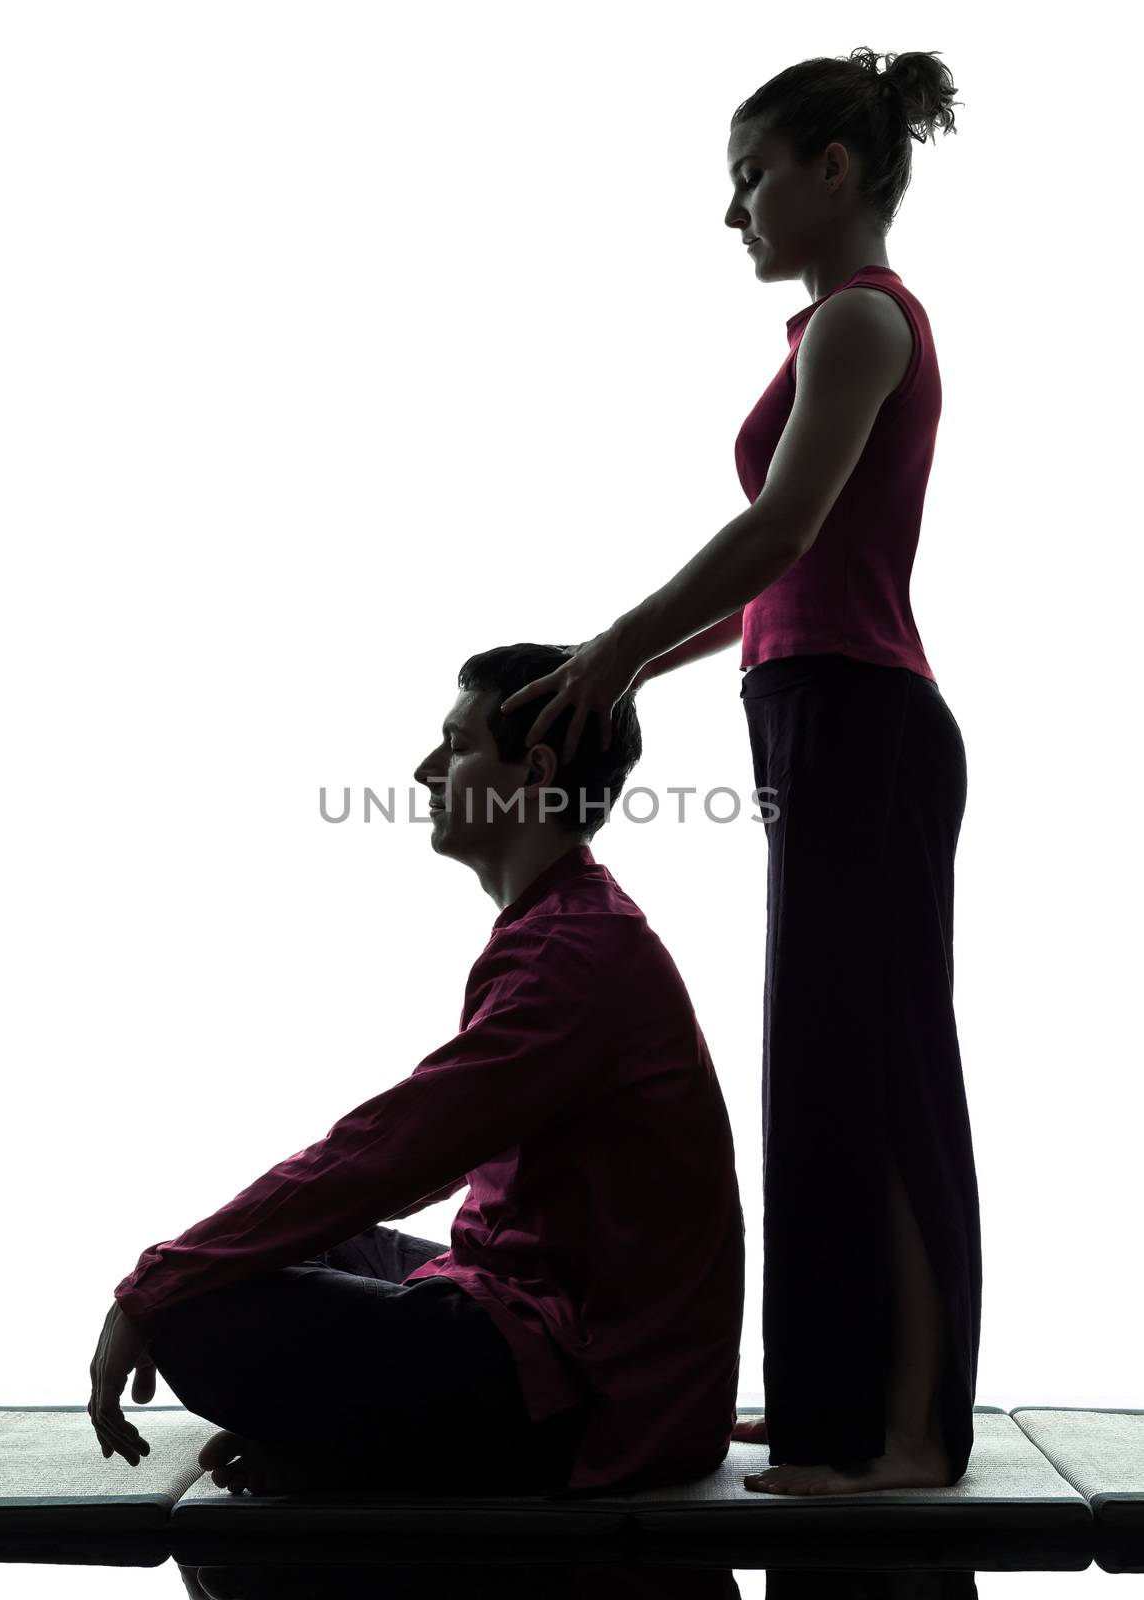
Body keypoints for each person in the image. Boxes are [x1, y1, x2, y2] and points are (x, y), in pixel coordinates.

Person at [497, 47, 981, 1496]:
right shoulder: (823, 334)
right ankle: (836, 1402)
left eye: (750, 174)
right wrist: (636, 662)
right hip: (815, 709)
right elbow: (778, 578)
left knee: (882, 1069)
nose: (735, 213)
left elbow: (780, 534)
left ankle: (908, 1434)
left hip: (864, 722)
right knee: (823, 1067)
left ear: (833, 169)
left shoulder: (862, 325)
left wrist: (617, 639)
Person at [87, 642, 746, 1499]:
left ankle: (373, 1454)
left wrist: (156, 1285)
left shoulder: (574, 953)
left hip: (595, 1400)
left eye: (457, 745)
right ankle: (352, 1446)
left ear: (531, 772)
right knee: (255, 1250)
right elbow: (400, 1166)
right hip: (537, 1314)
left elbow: (397, 1147)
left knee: (187, 1298)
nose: (425, 769)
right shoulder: (566, 923)